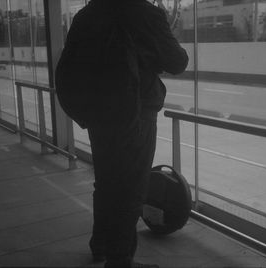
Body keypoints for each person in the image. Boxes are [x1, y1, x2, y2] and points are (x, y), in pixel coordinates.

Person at [62, 0, 188, 267]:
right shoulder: (146, 13)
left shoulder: (87, 15)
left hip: (99, 115)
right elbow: (177, 61)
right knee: (131, 190)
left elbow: (70, 65)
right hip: (136, 114)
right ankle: (120, 260)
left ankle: (101, 245)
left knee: (106, 183)